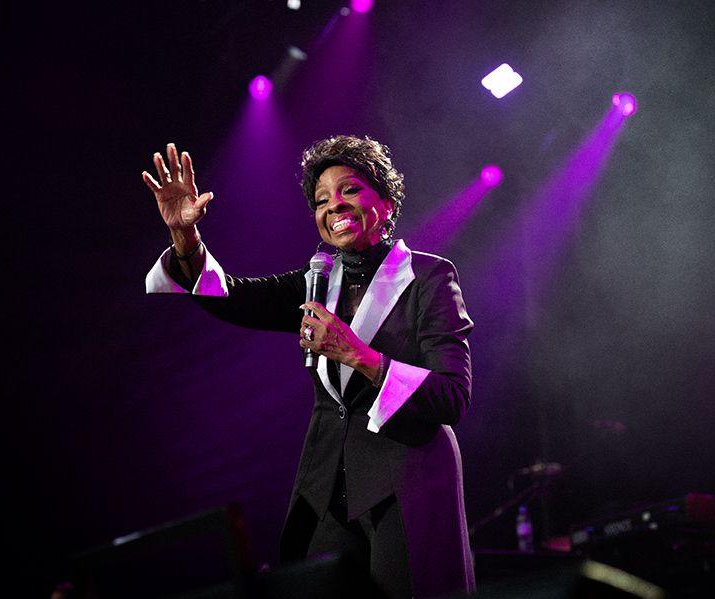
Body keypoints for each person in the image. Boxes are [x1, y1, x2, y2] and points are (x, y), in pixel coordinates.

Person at [143, 135, 476, 598]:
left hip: (405, 484)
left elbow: (452, 396)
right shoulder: (316, 280)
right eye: (322, 199)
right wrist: (185, 236)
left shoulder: (429, 277)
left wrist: (358, 354)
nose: (334, 205)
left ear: (386, 198)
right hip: (327, 489)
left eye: (351, 190)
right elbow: (234, 298)